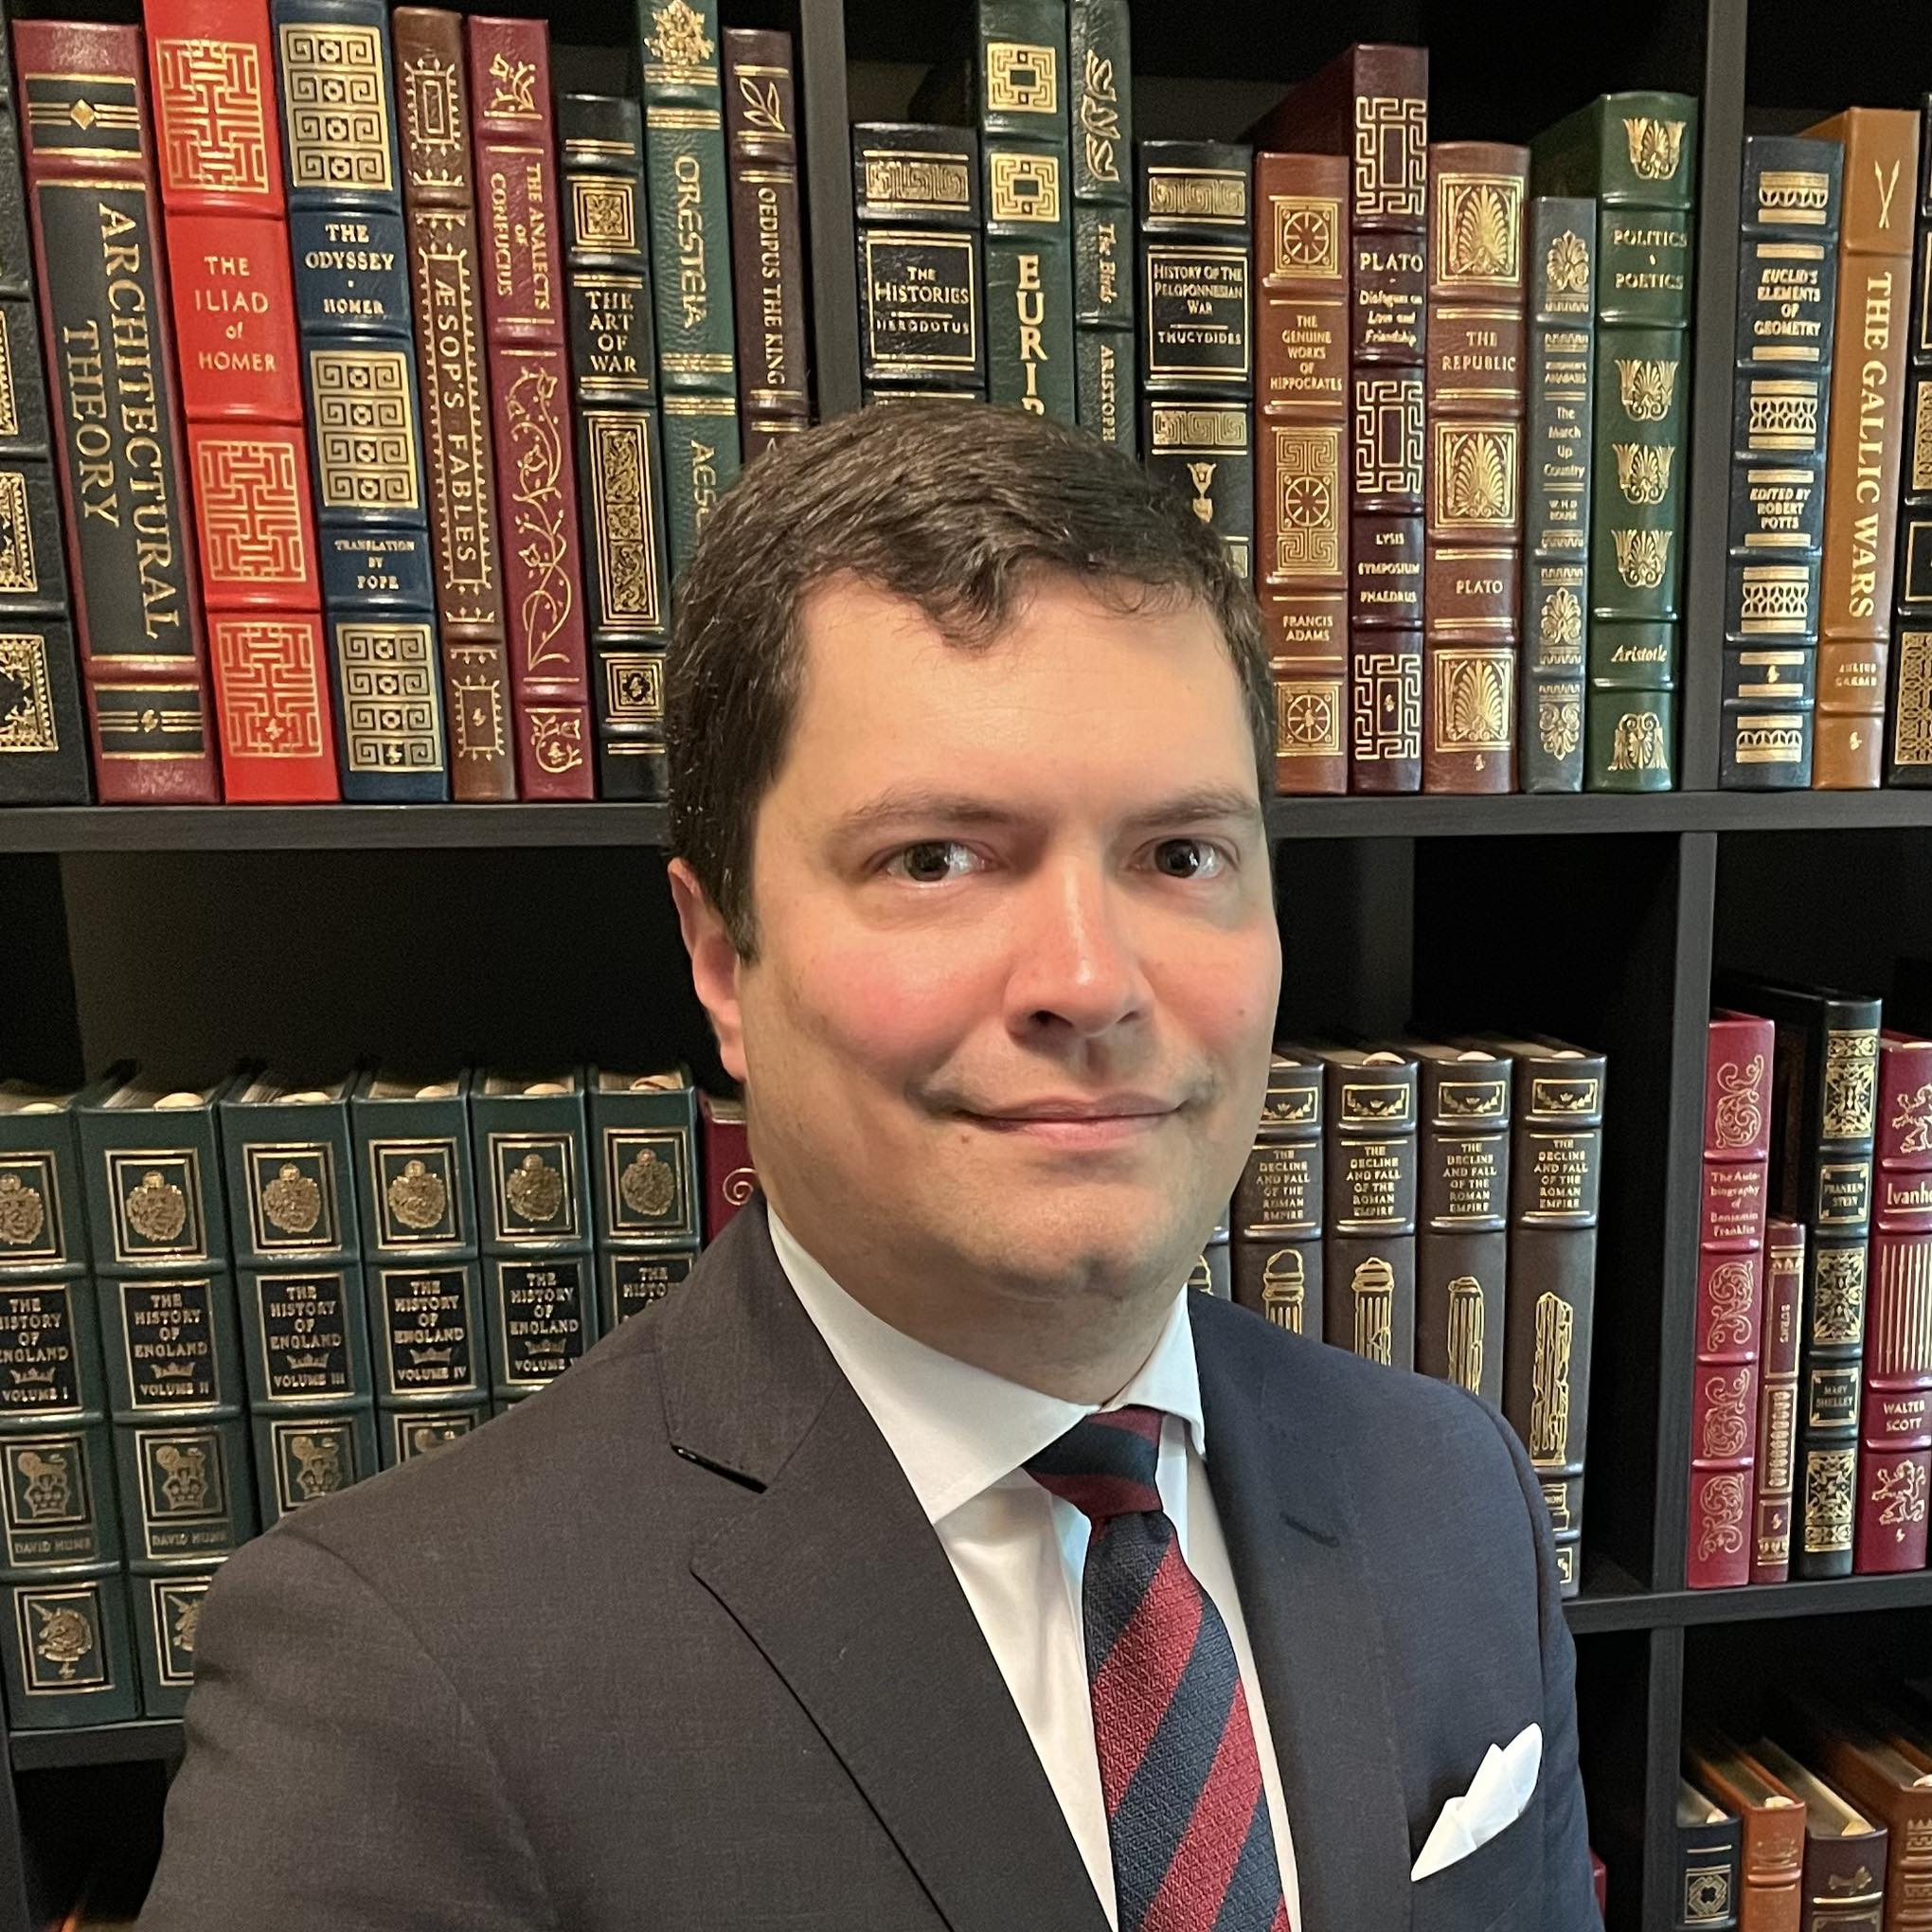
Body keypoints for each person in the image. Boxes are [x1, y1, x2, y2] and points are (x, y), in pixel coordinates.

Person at [138, 402, 1596, 1932]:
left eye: (1180, 855)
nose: (1090, 981)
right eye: (938, 861)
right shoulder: (397, 1682)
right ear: (721, 959)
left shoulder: (1453, 1493)